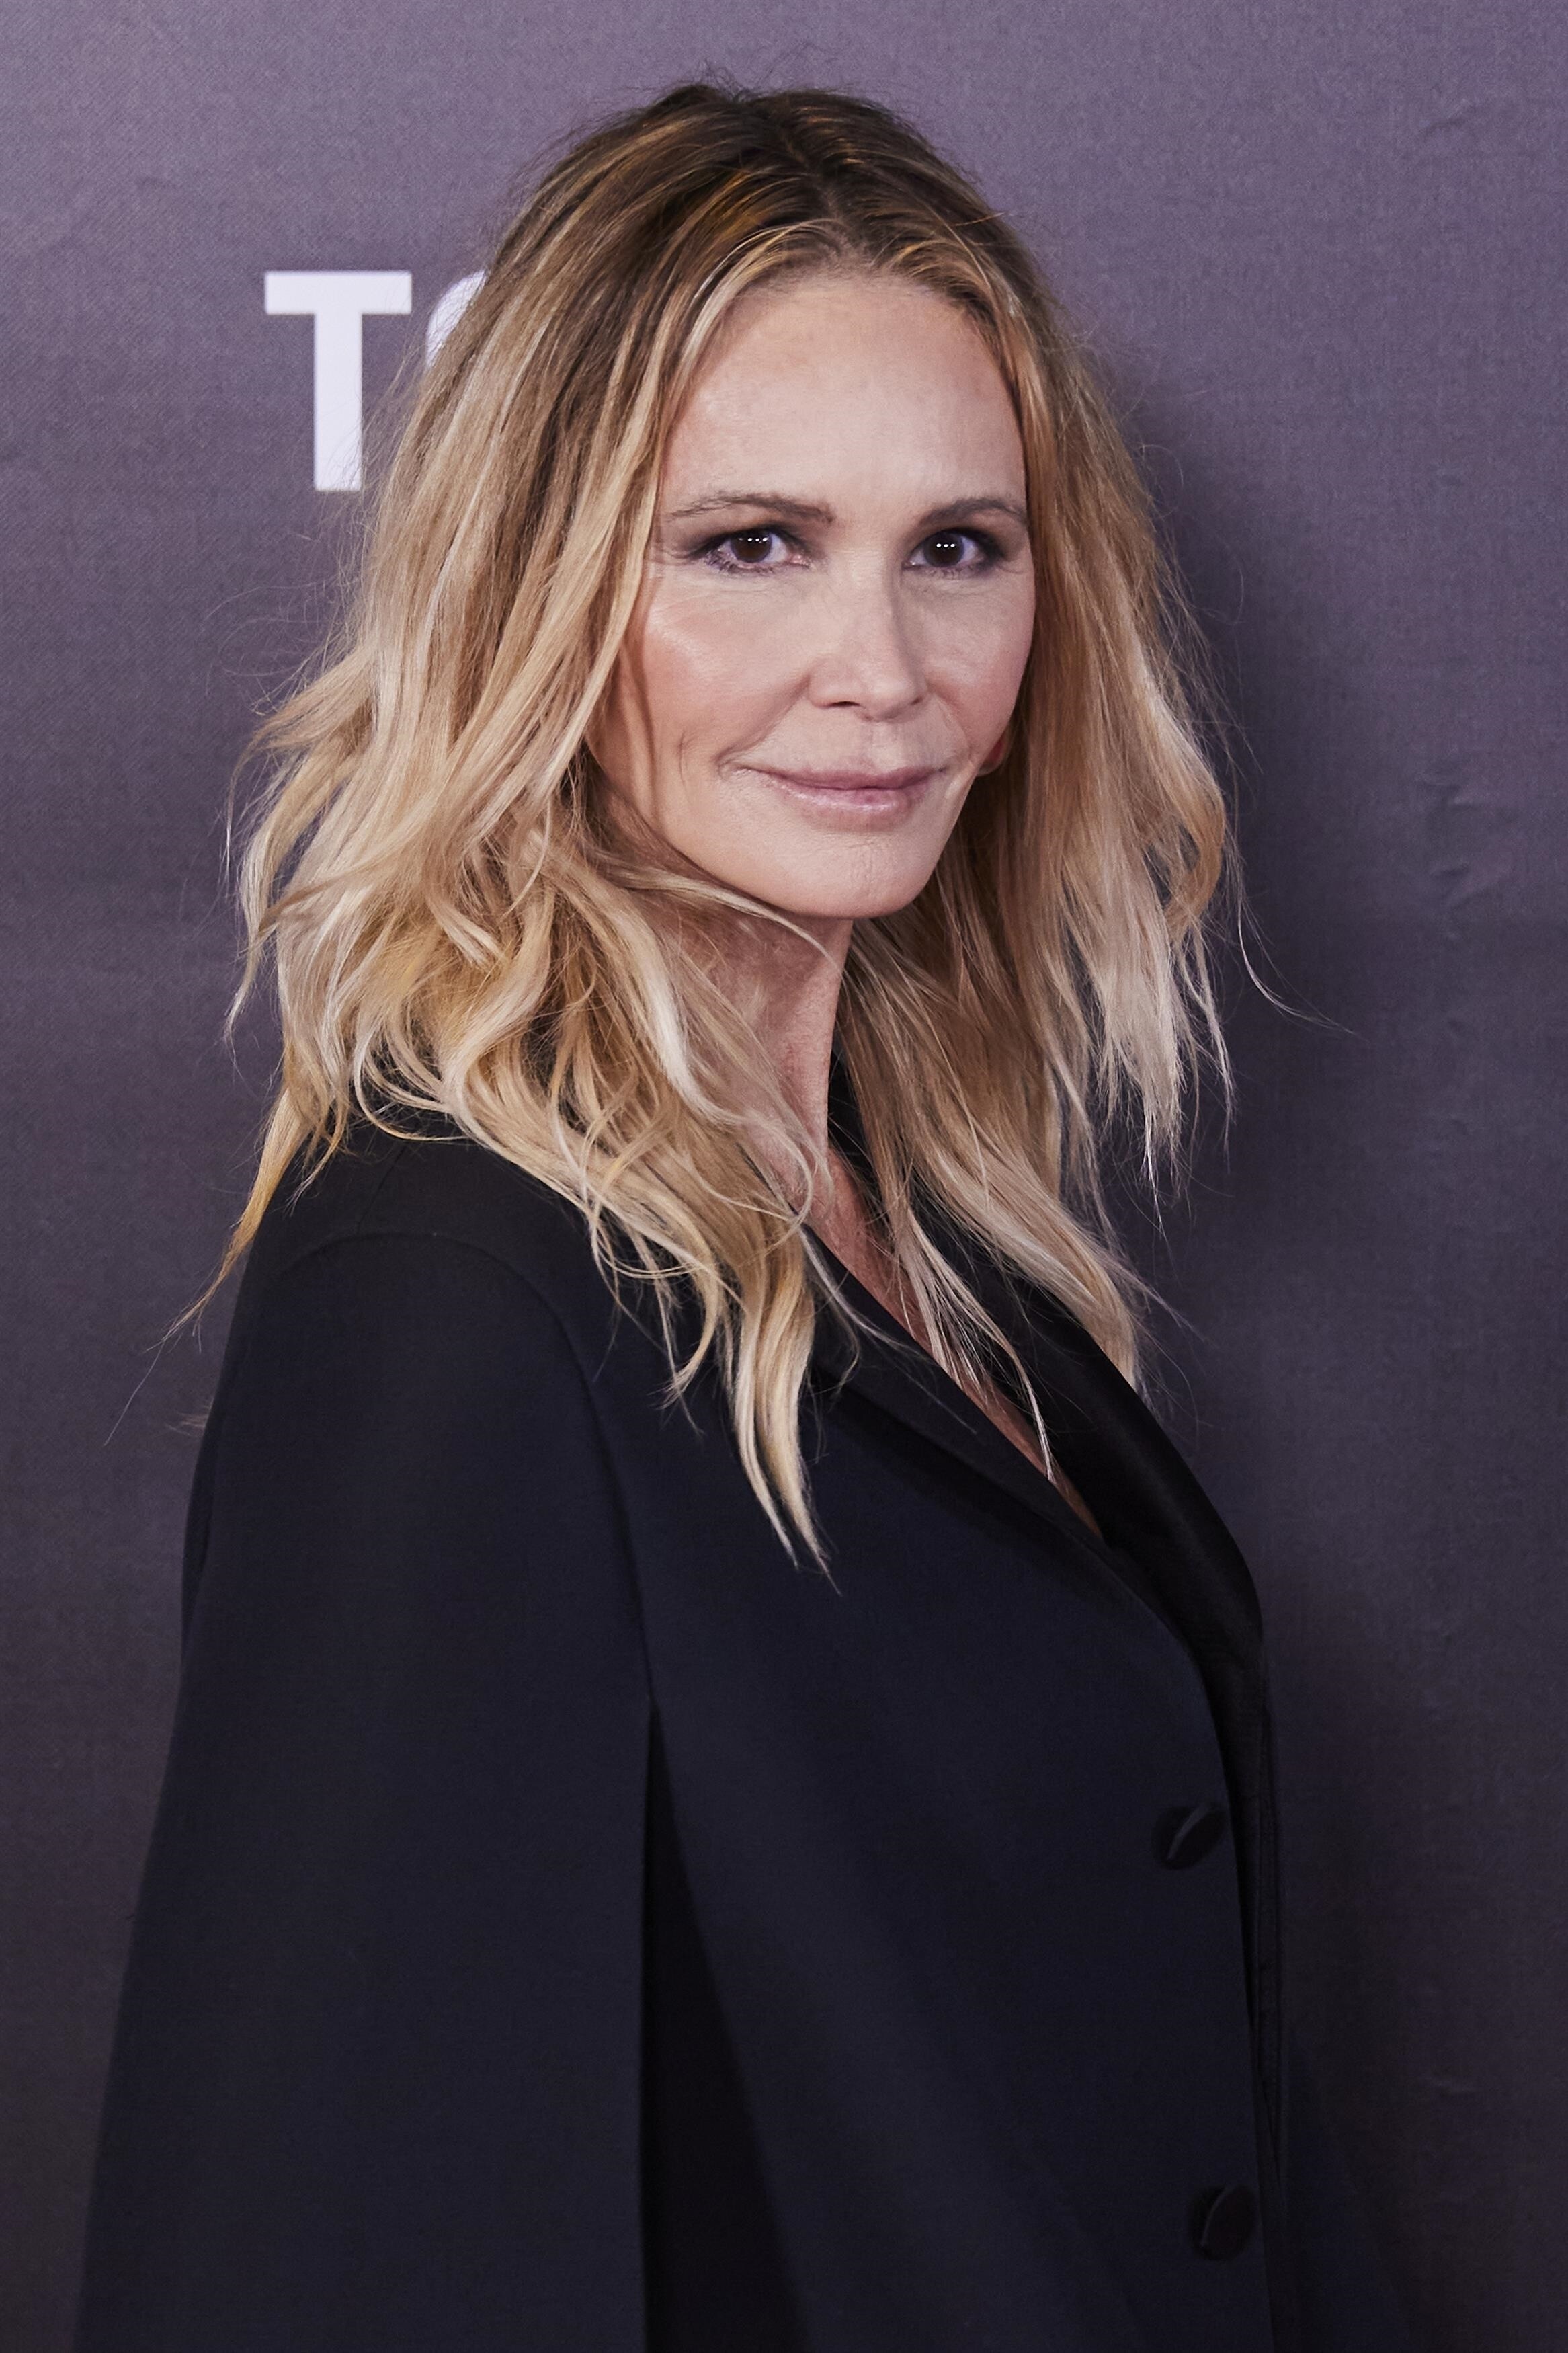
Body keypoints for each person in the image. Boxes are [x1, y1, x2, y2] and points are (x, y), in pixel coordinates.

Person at [75, 82, 1409, 2353]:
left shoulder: (934, 1239)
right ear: (539, 589)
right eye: (752, 545)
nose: (883, 669)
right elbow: (335, 2246)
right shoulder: (452, 1299)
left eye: (957, 546)